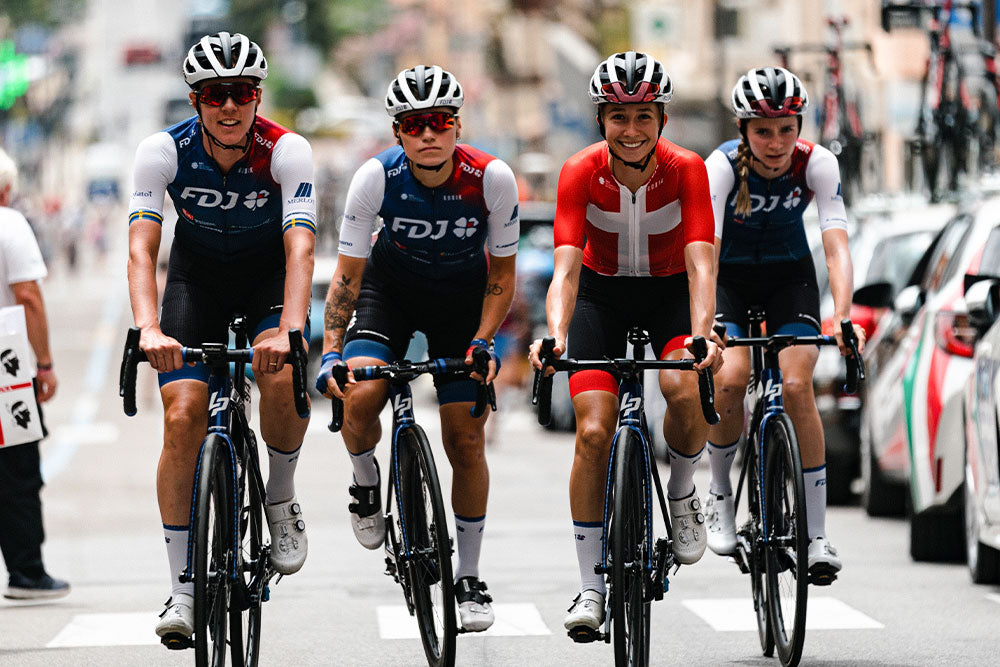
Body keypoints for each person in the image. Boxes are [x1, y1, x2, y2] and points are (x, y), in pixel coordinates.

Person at [126, 32, 316, 645]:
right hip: (196, 280)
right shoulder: (163, 151)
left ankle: (280, 496)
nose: (228, 107)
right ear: (195, 100)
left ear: (257, 97)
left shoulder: (286, 151)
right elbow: (142, 247)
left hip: (266, 280)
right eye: (214, 95)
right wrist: (149, 327)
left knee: (280, 376)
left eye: (240, 94)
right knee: (182, 414)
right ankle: (182, 590)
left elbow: (301, 245)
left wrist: (289, 330)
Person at [316, 65, 519, 632]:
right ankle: (364, 484)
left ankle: (470, 576)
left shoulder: (492, 178)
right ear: (399, 132)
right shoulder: (374, 179)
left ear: (457, 126)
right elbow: (348, 278)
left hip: (462, 303)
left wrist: (482, 340)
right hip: (390, 295)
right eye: (414, 125)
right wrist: (332, 350)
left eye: (439, 122)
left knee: (465, 436)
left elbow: (502, 275)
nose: (428, 134)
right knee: (358, 398)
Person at [527, 51, 721, 640]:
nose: (631, 130)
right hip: (599, 299)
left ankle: (684, 489)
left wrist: (703, 332)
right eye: (618, 117)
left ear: (661, 118)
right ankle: (590, 587)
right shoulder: (580, 171)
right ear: (601, 121)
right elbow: (564, 267)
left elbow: (700, 261)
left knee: (682, 387)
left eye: (642, 116)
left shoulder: (687, 168)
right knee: (591, 431)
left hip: (667, 297)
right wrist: (556, 333)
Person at [701, 67, 866, 584]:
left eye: (786, 129)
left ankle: (816, 534)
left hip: (788, 279)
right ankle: (721, 494)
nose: (776, 143)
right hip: (728, 280)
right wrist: (704, 325)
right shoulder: (721, 167)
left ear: (800, 126)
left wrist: (843, 314)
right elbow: (705, 253)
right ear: (743, 129)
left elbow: (836, 247)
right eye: (763, 131)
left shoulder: (817, 163)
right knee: (729, 378)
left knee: (796, 386)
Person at [0, 147, 68, 601]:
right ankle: (27, 572)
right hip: (5, 364)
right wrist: (43, 363)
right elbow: (28, 297)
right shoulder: (9, 224)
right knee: (18, 469)